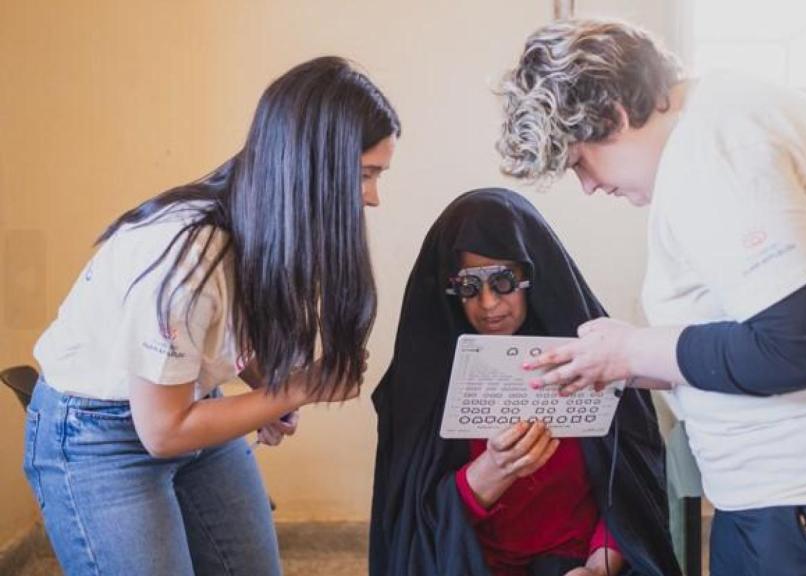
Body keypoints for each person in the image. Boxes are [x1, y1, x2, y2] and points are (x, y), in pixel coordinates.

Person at [496, 19, 806, 576]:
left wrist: (633, 351)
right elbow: (754, 325)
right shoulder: (729, 110)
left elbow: (801, 345)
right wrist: (633, 365)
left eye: (580, 162)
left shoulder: (711, 150)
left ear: (615, 116)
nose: (590, 186)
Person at [22, 56, 400, 575]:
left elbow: (224, 334)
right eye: (364, 175)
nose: (373, 198)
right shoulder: (186, 255)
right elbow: (163, 430)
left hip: (185, 403)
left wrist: (266, 389)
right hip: (98, 433)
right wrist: (294, 390)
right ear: (312, 167)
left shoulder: (269, 227)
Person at [369, 188, 680, 576]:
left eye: (502, 282)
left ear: (533, 276)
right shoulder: (420, 387)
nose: (488, 305)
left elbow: (631, 488)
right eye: (468, 286)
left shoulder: (590, 359)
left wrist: (600, 566)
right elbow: (412, 526)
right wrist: (492, 470)